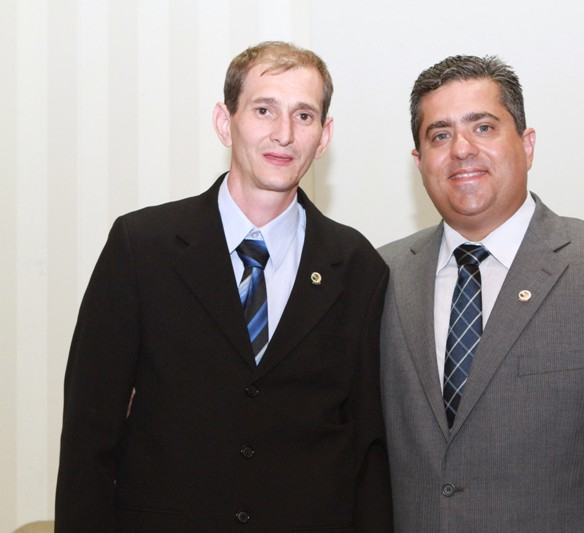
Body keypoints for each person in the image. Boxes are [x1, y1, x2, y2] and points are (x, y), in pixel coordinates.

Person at [55, 41, 392, 532]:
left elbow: (368, 450)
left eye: (303, 116)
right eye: (264, 110)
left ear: (324, 137)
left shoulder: (358, 266)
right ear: (224, 121)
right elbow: (90, 431)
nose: (283, 134)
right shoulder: (141, 247)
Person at [379, 54, 584, 532]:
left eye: (483, 127)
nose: (462, 149)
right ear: (419, 161)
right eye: (440, 135)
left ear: (527, 145)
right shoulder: (382, 276)